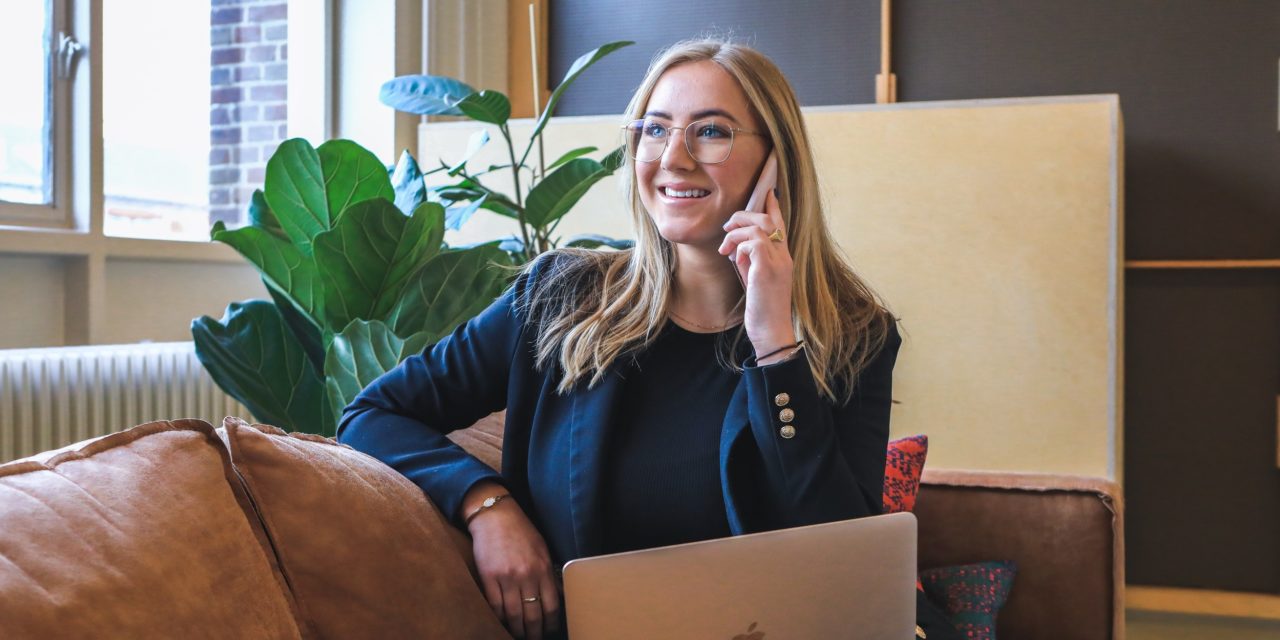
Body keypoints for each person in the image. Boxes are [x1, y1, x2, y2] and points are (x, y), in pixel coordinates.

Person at [339, 38, 925, 640]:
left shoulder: (853, 335)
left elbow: (839, 558)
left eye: (711, 132)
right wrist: (487, 505)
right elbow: (372, 413)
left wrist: (775, 343)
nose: (673, 157)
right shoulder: (560, 298)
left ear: (776, 162)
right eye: (654, 129)